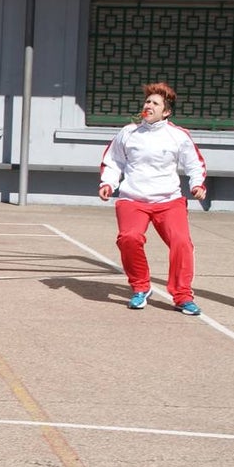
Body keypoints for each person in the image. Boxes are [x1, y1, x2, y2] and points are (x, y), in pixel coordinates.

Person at [98, 81, 207, 315]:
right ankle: (141, 287)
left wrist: (197, 184)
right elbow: (113, 161)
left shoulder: (178, 136)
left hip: (169, 201)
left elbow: (194, 164)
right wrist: (108, 183)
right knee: (129, 239)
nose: (149, 106)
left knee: (181, 243)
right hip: (133, 199)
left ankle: (182, 296)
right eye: (147, 101)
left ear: (166, 111)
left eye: (155, 103)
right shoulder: (128, 133)